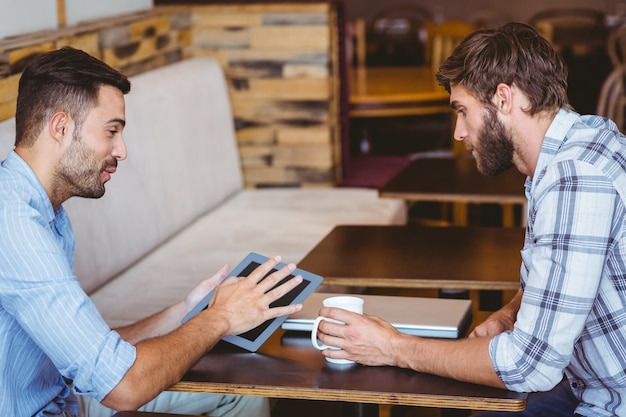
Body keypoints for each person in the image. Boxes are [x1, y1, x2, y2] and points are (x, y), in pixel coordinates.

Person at [315, 22, 626, 417]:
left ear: (503, 97)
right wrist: (512, 311)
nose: (459, 132)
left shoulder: (574, 180)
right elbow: (565, 274)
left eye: (462, 111)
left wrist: (392, 347)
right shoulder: (585, 142)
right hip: (588, 380)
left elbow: (528, 366)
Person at [0, 46, 304, 417]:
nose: (122, 150)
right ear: (61, 127)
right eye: (112, 131)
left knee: (242, 392)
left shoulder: (48, 211)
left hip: (61, 395)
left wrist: (187, 311)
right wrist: (220, 318)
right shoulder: (15, 226)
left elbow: (93, 348)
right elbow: (124, 388)